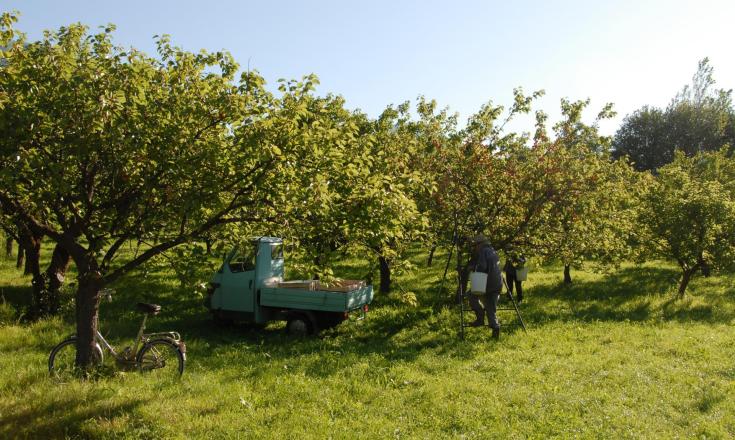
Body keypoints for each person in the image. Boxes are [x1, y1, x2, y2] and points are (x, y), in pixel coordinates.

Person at [467, 234, 503, 339]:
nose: (475, 248)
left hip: (487, 282)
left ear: (480, 244)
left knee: (471, 295)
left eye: (475, 245)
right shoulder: (492, 250)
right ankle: (495, 328)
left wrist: (473, 269)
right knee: (491, 308)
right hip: (497, 282)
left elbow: (482, 266)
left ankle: (480, 317)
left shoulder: (483, 251)